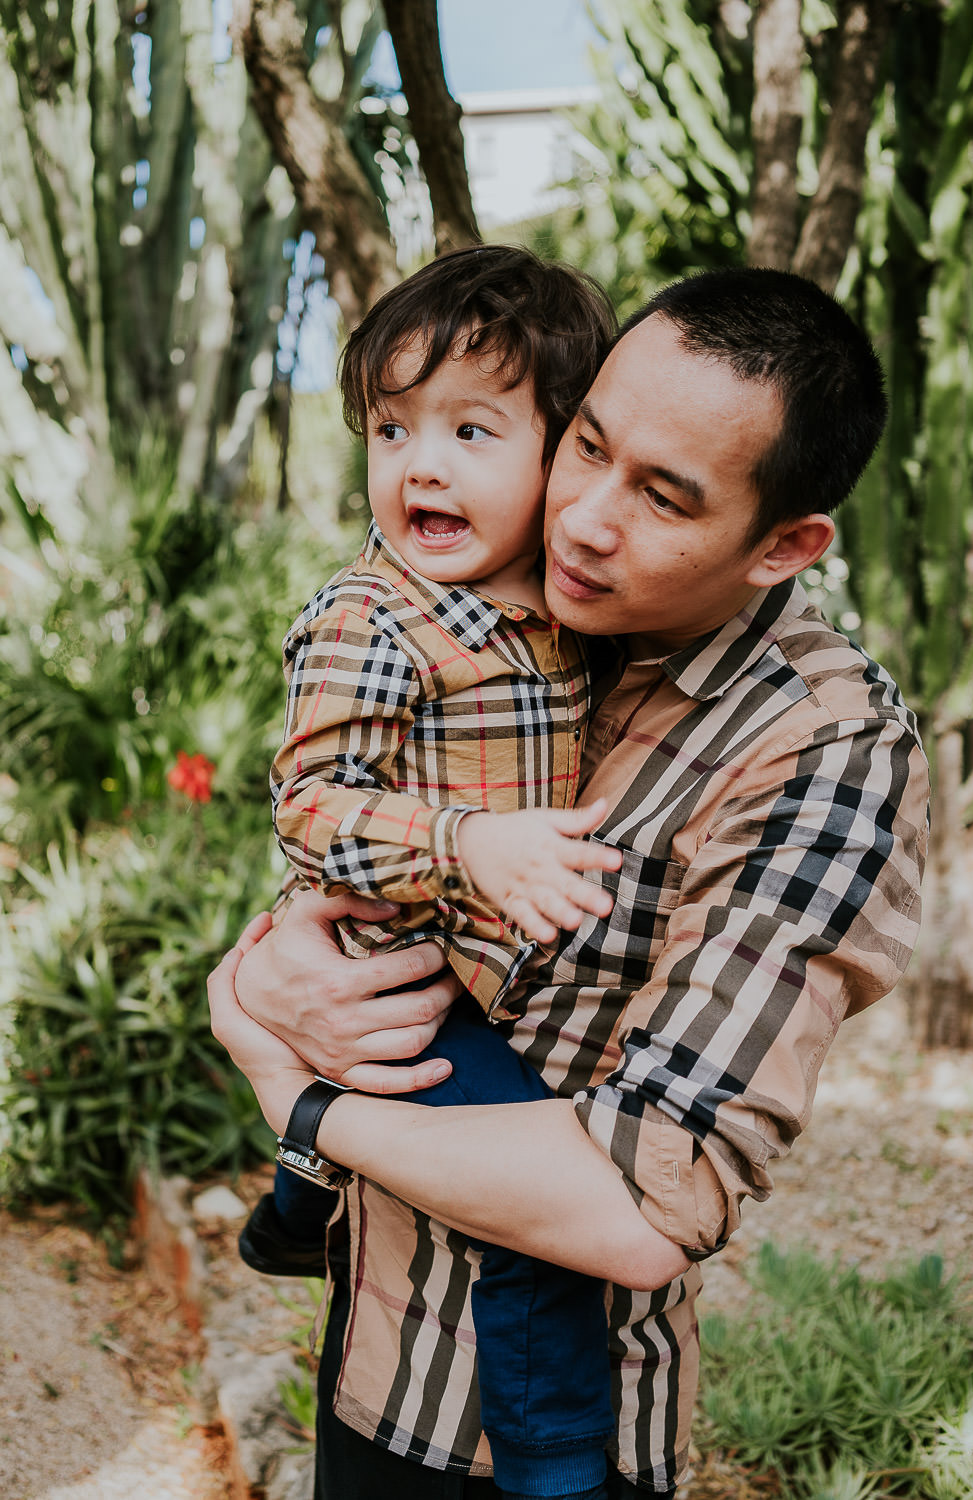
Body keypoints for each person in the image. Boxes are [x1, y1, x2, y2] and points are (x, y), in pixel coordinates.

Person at [210, 266, 930, 1500]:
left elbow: (641, 1204)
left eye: (663, 497)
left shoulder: (823, 745)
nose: (587, 519)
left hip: (553, 1439)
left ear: (785, 544)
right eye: (587, 446)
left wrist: (296, 1096)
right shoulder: (489, 609)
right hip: (373, 1359)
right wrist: (267, 965)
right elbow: (337, 841)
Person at [243, 244, 628, 1500]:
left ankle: (300, 1201)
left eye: (472, 429)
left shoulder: (570, 616)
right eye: (393, 426)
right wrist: (468, 843)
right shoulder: (379, 617)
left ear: (563, 453)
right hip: (412, 960)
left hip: (491, 967)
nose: (422, 464)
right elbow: (307, 808)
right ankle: (558, 1463)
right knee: (536, 1217)